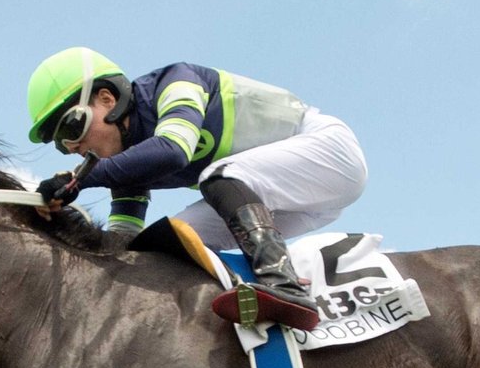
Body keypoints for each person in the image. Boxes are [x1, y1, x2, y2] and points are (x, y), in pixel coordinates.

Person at [26, 47, 368, 330]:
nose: (72, 146)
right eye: (61, 144)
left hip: (329, 153)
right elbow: (120, 247)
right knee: (169, 242)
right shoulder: (127, 167)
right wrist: (63, 227)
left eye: (72, 126)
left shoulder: (176, 81)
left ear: (107, 99)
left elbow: (174, 150)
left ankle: (284, 285)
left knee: (217, 176)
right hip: (286, 199)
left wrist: (79, 180)